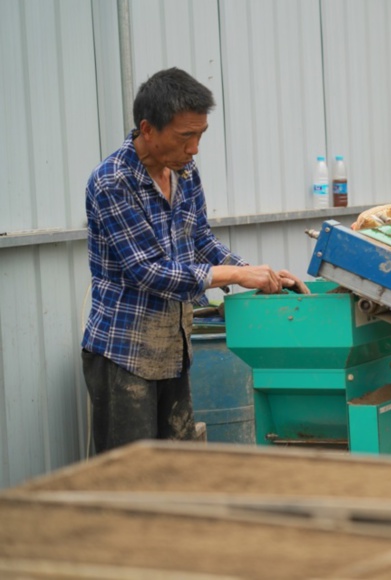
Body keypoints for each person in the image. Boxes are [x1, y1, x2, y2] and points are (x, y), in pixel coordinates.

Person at [81, 67, 309, 454]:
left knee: (178, 469)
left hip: (173, 347)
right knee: (131, 479)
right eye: (186, 136)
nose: (195, 148)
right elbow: (147, 271)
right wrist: (235, 273)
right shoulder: (111, 181)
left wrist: (258, 274)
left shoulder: (183, 171)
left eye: (200, 135)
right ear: (148, 129)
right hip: (123, 353)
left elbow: (199, 238)